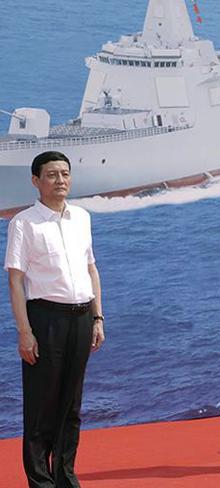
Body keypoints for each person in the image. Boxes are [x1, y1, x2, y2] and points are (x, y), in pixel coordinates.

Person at [4, 151, 105, 488]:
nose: (60, 180)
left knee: (71, 404)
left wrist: (98, 317)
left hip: (81, 317)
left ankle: (65, 475)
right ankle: (41, 481)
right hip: (44, 319)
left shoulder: (82, 217)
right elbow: (16, 280)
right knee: (42, 405)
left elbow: (91, 268)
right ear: (36, 181)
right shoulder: (24, 222)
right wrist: (24, 331)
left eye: (65, 173)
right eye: (51, 175)